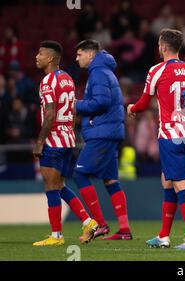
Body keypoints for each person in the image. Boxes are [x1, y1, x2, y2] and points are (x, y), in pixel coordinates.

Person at [127, 29, 185, 249]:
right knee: (167, 180)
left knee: (181, 184)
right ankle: (163, 236)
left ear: (162, 47)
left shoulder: (156, 70)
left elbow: (143, 102)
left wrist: (132, 108)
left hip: (170, 136)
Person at [32, 40, 98, 246]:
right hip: (68, 138)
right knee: (59, 185)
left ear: (50, 58)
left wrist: (39, 142)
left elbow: (50, 114)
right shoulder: (68, 79)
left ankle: (56, 236)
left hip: (54, 140)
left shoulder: (47, 81)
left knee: (51, 187)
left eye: (40, 54)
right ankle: (89, 222)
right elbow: (74, 109)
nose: (37, 56)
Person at [74, 39, 132, 240]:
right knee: (110, 180)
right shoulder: (104, 70)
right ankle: (124, 230)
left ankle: (100, 224)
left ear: (90, 54)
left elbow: (101, 102)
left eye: (80, 54)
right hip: (111, 130)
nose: (76, 58)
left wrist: (76, 105)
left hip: (103, 132)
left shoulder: (97, 72)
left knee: (79, 175)